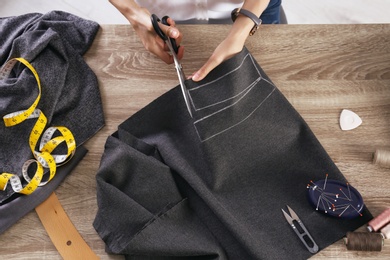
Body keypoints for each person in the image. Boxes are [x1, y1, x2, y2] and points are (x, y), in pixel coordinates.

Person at [109, 0, 281, 81]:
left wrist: (243, 28)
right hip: (165, 13)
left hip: (252, 7)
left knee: (274, 66)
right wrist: (132, 12)